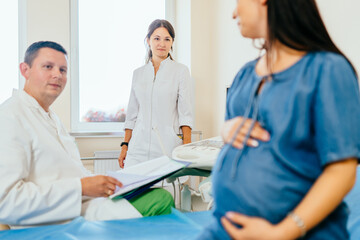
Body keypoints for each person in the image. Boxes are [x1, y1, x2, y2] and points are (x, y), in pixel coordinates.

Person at [198, 0, 360, 239]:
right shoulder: (244, 75)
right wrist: (226, 130)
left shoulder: (328, 70)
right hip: (224, 228)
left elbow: (342, 171)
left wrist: (282, 232)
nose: (233, 13)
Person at [0, 41, 174, 227]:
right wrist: (81, 188)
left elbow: (69, 169)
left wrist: (103, 182)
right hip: (59, 219)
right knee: (161, 201)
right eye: (48, 67)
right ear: (25, 70)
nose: (57, 75)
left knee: (157, 194)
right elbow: (6, 202)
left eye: (63, 70)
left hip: (83, 203)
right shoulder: (10, 117)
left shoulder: (49, 117)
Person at [118, 19, 193, 168]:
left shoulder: (181, 71)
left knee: (166, 189)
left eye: (167, 39)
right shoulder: (138, 74)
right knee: (134, 188)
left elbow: (186, 114)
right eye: (156, 38)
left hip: (166, 146)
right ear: (148, 40)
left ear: (172, 42)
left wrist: (186, 148)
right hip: (138, 148)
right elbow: (132, 115)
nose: (162, 44)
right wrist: (125, 145)